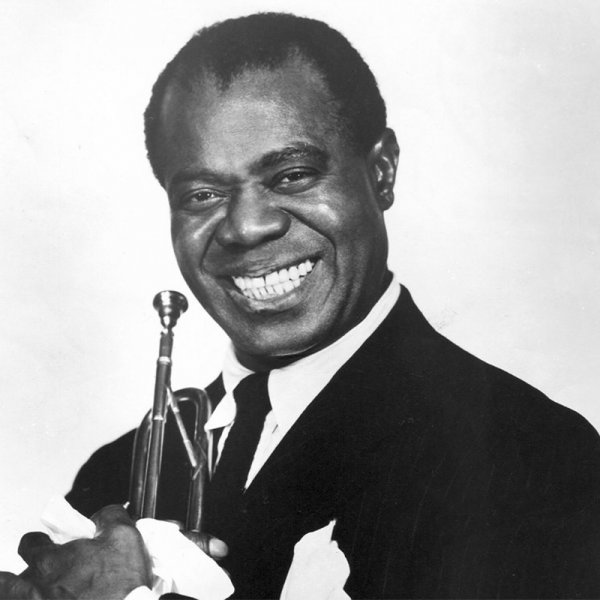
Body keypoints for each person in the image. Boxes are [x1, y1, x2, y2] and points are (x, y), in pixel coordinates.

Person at [2, 12, 600, 599]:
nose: (246, 227)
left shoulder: (530, 455)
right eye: (202, 194)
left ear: (382, 172)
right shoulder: (114, 478)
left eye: (292, 175)